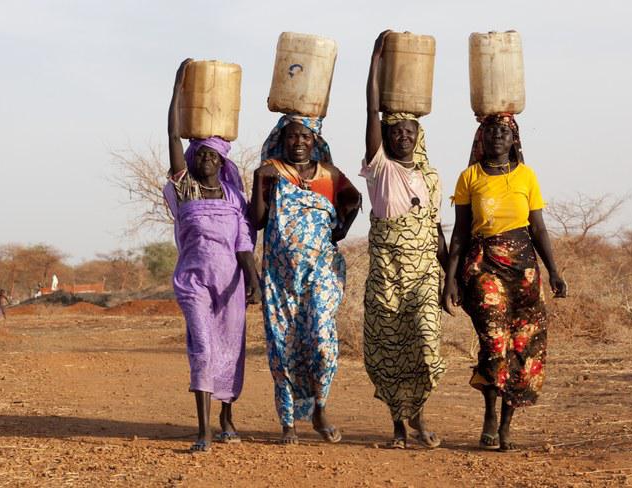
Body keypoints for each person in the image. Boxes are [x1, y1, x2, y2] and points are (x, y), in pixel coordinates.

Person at [444, 113, 568, 452]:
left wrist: (554, 271)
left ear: (515, 140)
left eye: (504, 131)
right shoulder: (469, 177)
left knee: (523, 346)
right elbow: (459, 232)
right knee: (495, 342)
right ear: (480, 139)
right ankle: (488, 413)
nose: (497, 136)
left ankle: (505, 425)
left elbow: (539, 228)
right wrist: (451, 279)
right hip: (485, 266)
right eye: (490, 131)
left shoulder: (527, 176)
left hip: (525, 272)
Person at [164, 58, 260, 452]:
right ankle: (202, 430)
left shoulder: (235, 197)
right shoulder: (184, 188)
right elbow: (172, 134)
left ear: (222, 163)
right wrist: (177, 86)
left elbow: (244, 245)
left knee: (230, 349)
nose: (206, 160)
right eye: (200, 154)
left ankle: (226, 416)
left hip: (231, 284)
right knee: (203, 346)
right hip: (193, 281)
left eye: (212, 157)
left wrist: (254, 282)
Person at [250, 113, 361, 444]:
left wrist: (339, 230)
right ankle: (289, 423)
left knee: (322, 342)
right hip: (280, 279)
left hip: (321, 274)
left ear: (316, 142)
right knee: (283, 346)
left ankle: (320, 408)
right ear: (282, 140)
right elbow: (256, 221)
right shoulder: (272, 172)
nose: (298, 142)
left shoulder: (330, 174)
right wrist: (258, 179)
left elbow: (353, 201)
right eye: (292, 137)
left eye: (305, 137)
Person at [362, 30, 449, 449]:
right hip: (387, 274)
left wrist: (451, 276)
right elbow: (371, 110)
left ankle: (417, 413)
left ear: (419, 136)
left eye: (409, 133)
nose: (402, 138)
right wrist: (376, 60)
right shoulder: (380, 170)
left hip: (424, 274)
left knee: (426, 344)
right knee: (391, 348)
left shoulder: (430, 176)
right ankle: (400, 427)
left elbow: (436, 226)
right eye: (395, 132)